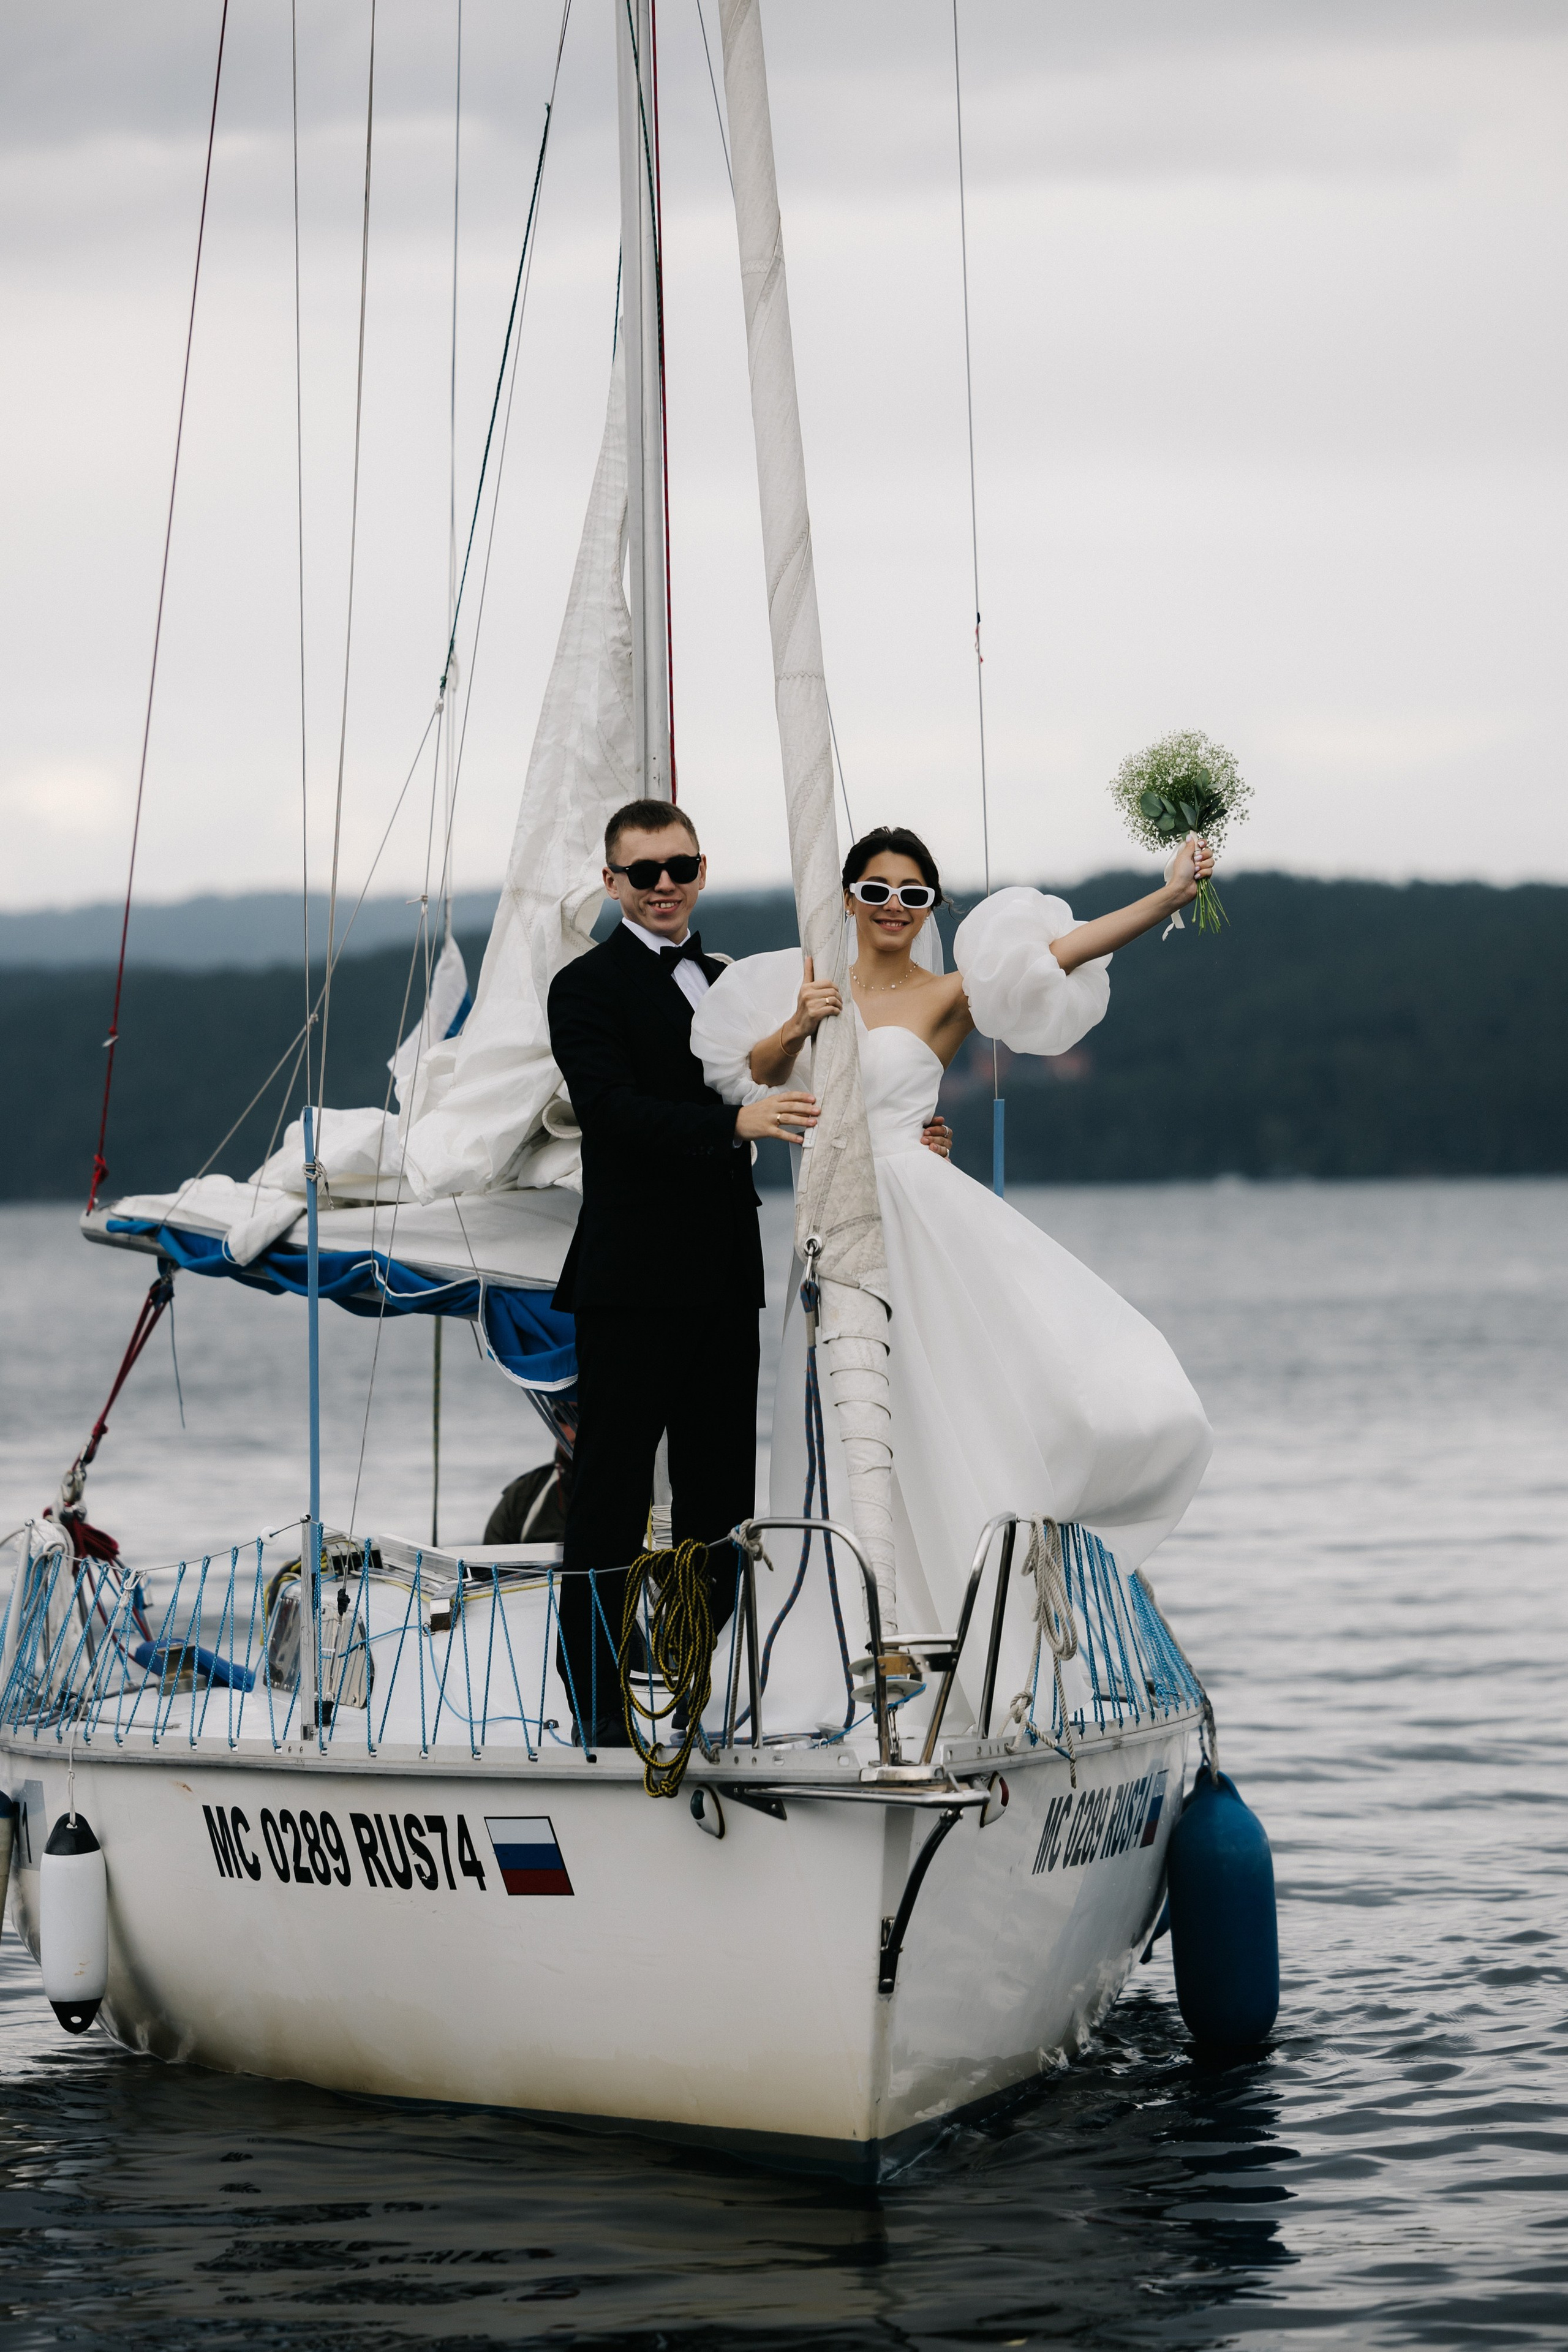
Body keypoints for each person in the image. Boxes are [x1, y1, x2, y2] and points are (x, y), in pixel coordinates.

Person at [689, 826, 1217, 1692]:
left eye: (912, 894)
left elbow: (1056, 953)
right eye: (876, 890)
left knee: (948, 1411)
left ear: (930, 908)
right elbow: (750, 1074)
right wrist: (799, 1020)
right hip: (830, 1229)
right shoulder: (807, 989)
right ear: (848, 897)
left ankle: (964, 1639)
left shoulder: (946, 995)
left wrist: (1164, 899)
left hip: (918, 1215)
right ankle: (836, 1660)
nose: (893, 908)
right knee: (840, 1427)